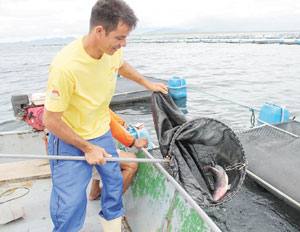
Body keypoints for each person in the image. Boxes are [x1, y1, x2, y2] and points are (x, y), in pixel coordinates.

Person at [43, 0, 168, 231]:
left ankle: (111, 225)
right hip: (69, 138)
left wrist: (147, 83)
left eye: (126, 38)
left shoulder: (111, 53)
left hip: (101, 133)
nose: (123, 44)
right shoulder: (65, 66)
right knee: (70, 204)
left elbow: (122, 66)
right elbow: (50, 120)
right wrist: (88, 148)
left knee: (113, 183)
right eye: (119, 38)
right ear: (99, 31)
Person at [89, 110, 148, 200]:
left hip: (87, 142)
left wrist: (122, 124)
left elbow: (104, 109)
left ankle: (95, 190)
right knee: (131, 162)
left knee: (104, 144)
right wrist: (133, 141)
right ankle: (111, 203)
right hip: (86, 147)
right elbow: (105, 117)